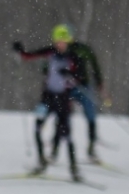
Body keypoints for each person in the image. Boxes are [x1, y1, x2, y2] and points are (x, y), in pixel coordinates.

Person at [14, 24, 85, 180]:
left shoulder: (74, 58)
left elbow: (80, 79)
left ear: (68, 41)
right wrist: (20, 51)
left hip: (63, 99)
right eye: (58, 41)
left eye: (63, 41)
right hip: (47, 97)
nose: (60, 44)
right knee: (38, 127)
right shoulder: (50, 52)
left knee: (66, 134)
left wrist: (69, 75)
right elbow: (29, 56)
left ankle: (74, 169)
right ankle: (41, 163)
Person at [67, 36, 106, 161]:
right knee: (62, 115)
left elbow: (95, 67)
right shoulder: (59, 51)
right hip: (68, 87)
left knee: (91, 116)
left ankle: (91, 149)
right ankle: (54, 148)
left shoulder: (83, 49)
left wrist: (100, 85)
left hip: (84, 87)